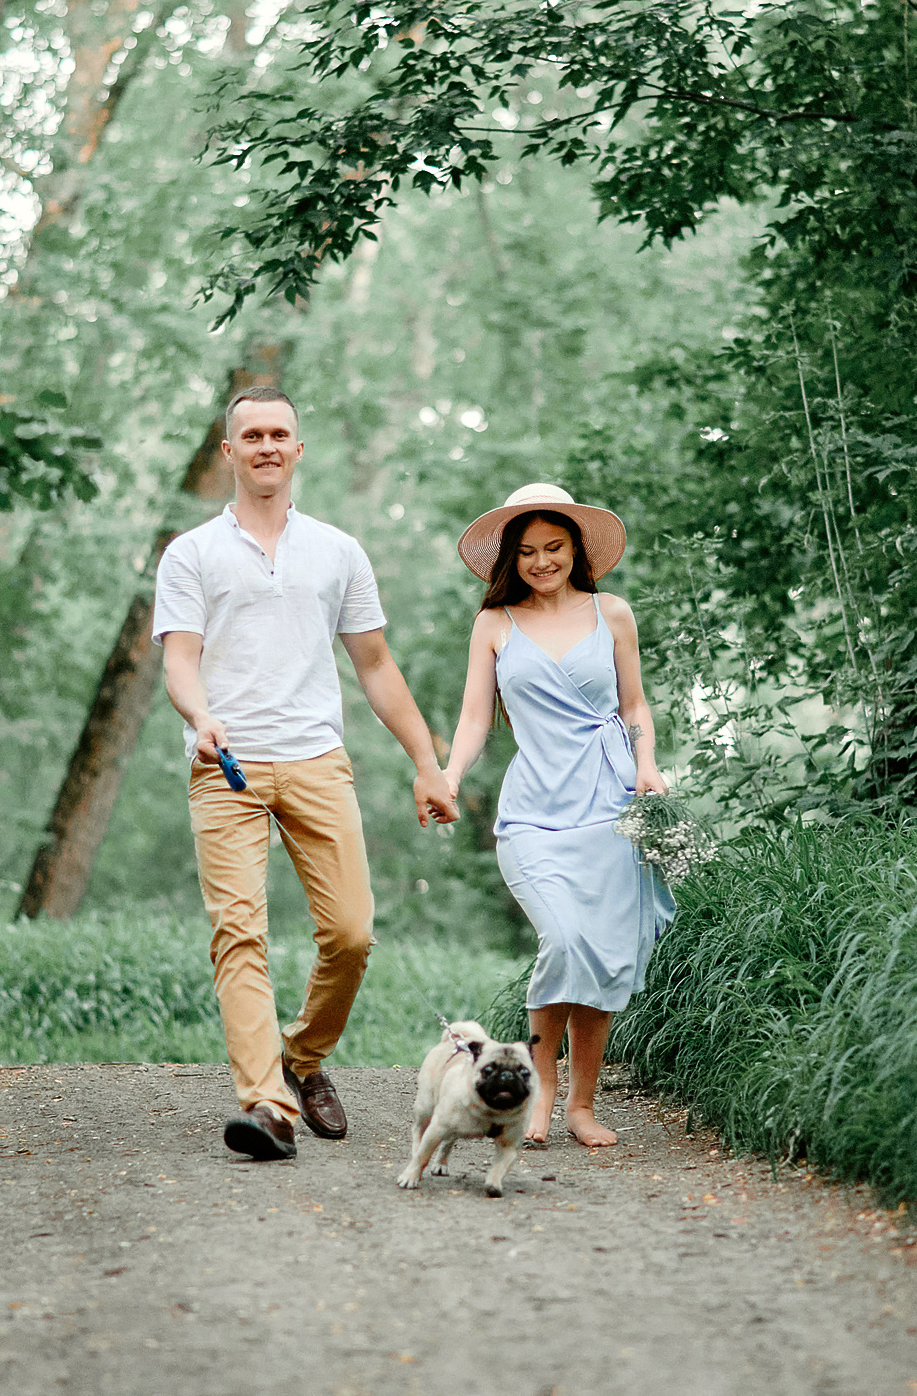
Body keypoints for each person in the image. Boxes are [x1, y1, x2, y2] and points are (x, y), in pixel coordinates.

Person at [153, 385, 460, 1161]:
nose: (264, 445)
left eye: (278, 433)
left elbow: (377, 667)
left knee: (352, 933)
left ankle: (304, 1056)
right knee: (239, 932)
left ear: (297, 449)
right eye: (249, 434)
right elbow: (179, 662)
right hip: (225, 765)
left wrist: (426, 761)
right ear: (229, 451)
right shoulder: (192, 552)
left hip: (318, 759)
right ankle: (268, 1103)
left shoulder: (337, 551)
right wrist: (201, 715)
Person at [440, 483, 674, 1148]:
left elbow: (634, 705)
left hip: (609, 805)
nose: (542, 561)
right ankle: (538, 1097)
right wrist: (450, 776)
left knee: (599, 954)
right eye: (529, 551)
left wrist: (646, 762)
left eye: (555, 547)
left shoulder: (614, 613)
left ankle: (580, 1105)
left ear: (576, 549)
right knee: (565, 939)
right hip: (534, 812)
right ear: (510, 558)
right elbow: (474, 717)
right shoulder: (495, 624)